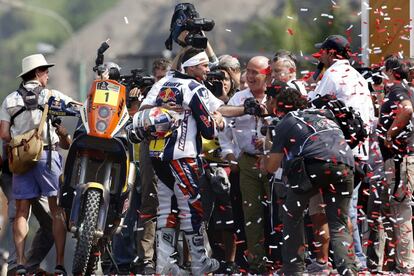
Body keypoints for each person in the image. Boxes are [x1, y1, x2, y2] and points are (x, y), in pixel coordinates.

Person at [135, 48, 225, 275]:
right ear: (191, 67)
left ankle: (164, 265)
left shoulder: (164, 85)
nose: (207, 69)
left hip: (158, 157)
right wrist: (219, 123)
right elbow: (208, 130)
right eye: (203, 65)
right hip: (184, 158)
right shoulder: (194, 88)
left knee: (166, 210)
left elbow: (144, 109)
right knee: (192, 210)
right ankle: (199, 263)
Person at [264, 87, 357, 276]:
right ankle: (349, 270)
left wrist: (264, 161)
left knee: (292, 215)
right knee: (338, 221)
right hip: (345, 163)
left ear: (279, 107)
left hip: (314, 165)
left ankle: (293, 270)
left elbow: (272, 167)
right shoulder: (324, 114)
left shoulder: (286, 122)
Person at [0, 54, 78, 275]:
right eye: (45, 71)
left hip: (20, 160)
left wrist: (21, 137)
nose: (48, 75)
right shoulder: (51, 96)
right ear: (37, 73)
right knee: (56, 211)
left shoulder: (9, 100)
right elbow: (77, 107)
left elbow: (4, 134)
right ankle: (60, 265)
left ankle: (22, 263)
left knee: (22, 211)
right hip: (46, 155)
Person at [308, 34, 375, 270]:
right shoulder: (358, 77)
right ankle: (355, 258)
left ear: (330, 53)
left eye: (323, 52)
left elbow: (312, 106)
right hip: (360, 151)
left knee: (342, 213)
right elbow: (372, 118)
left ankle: (356, 258)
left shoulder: (333, 75)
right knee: (347, 210)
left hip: (340, 152)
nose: (320, 56)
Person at [218, 56, 271, 274]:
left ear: (267, 75)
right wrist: (231, 155)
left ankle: (279, 259)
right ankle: (257, 263)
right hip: (247, 162)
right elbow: (223, 129)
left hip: (273, 163)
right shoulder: (239, 98)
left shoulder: (275, 96)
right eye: (247, 71)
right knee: (252, 214)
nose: (249, 76)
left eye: (255, 72)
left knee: (276, 213)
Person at [376, 55, 414, 273]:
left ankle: (405, 264)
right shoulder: (407, 89)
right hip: (404, 158)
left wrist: (390, 134)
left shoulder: (400, 91)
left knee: (402, 209)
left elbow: (406, 110)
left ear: (391, 72)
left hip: (401, 160)